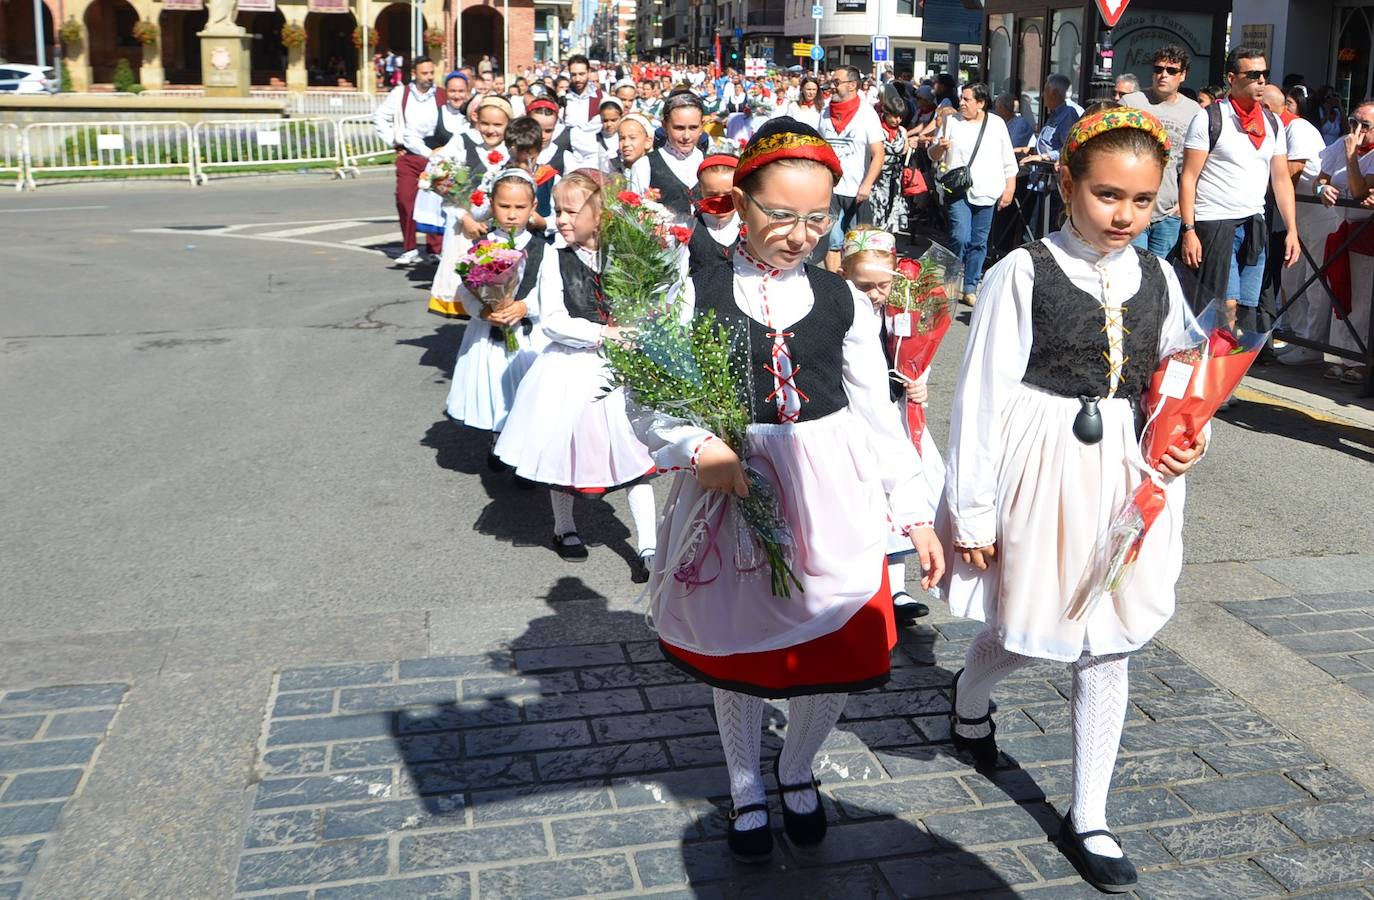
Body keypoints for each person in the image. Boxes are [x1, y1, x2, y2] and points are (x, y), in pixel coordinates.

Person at [636, 117, 944, 863]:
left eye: (818, 218)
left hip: (830, 492)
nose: (801, 233)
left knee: (838, 643)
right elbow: (650, 390)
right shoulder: (693, 287)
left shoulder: (844, 299)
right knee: (739, 653)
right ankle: (745, 784)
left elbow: (876, 414)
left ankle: (798, 767)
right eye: (782, 214)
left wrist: (913, 511)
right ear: (740, 203)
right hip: (734, 487)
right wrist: (696, 444)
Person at [943, 104, 1207, 895]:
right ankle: (969, 691)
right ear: (1066, 183)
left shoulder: (1160, 276)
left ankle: (1088, 811)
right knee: (1031, 630)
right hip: (1043, 464)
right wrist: (974, 509)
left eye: (1142, 201)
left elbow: (1181, 379)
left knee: (1110, 639)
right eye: (1107, 196)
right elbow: (980, 399)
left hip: (1128, 471)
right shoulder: (1021, 272)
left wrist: (1190, 436)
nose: (1125, 215)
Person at [494, 172, 659, 581]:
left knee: (635, 452)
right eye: (557, 210)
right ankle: (564, 527)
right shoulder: (554, 255)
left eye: (570, 211)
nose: (560, 219)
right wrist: (603, 332)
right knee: (563, 448)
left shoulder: (627, 253)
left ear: (600, 216)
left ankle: (649, 545)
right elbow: (552, 320)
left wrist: (643, 324)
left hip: (619, 366)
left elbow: (652, 298)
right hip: (570, 365)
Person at [839, 225, 937, 623]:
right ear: (845, 274)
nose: (876, 294)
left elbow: (913, 357)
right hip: (857, 417)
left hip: (895, 415)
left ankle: (896, 587)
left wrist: (918, 385)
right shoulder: (845, 310)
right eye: (865, 285)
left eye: (883, 284)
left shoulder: (902, 312)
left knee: (902, 496)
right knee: (870, 500)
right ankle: (869, 586)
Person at [1179, 46, 1300, 333]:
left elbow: (1281, 179)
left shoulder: (1272, 123)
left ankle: (1229, 370)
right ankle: (1213, 367)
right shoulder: (1210, 118)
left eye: (1265, 74)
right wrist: (1189, 230)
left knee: (1247, 308)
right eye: (1254, 74)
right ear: (1232, 78)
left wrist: (1293, 230)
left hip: (1253, 224)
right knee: (1225, 305)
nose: (1261, 81)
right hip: (1215, 223)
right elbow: (1188, 178)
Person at [445, 169, 548, 449]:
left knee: (529, 391)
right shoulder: (481, 246)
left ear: (533, 208)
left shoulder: (545, 249)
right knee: (497, 390)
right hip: (489, 335)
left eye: (519, 207)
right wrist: (484, 311)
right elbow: (467, 289)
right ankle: (498, 438)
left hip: (529, 335)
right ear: (492, 205)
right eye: (504, 206)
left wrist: (525, 306)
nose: (512, 215)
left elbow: (549, 289)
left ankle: (526, 448)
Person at [929, 83, 1018, 306]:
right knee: (960, 236)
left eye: (967, 99)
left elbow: (1008, 159)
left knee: (979, 242)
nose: (962, 103)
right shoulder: (951, 122)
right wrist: (940, 147)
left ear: (981, 103)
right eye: (962, 98)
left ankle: (970, 286)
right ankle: (950, 282)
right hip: (958, 190)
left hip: (988, 190)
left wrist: (1010, 188)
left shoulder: (996, 124)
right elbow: (932, 154)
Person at [427, 96, 515, 318]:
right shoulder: (462, 141)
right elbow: (441, 179)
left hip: (500, 230)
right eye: (485, 123)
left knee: (499, 289)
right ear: (476, 120)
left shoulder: (513, 149)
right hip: (466, 229)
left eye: (498, 125)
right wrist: (464, 217)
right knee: (468, 286)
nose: (490, 130)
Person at [1263, 83, 1329, 366]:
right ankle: (1299, 337)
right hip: (1298, 217)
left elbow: (1290, 174)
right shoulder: (1279, 130)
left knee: (1312, 280)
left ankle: (1312, 342)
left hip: (1317, 218)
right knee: (1292, 276)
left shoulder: (1298, 129)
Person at [1313, 100, 1374, 383]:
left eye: (1365, 125)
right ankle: (1337, 354)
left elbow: (1361, 189)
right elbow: (1320, 179)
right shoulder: (1342, 143)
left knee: (1361, 297)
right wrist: (1323, 188)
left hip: (1365, 233)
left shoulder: (1358, 151)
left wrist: (1352, 157)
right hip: (1340, 227)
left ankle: (1357, 360)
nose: (1357, 130)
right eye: (1353, 122)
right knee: (1339, 292)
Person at [1123, 45, 1202, 259]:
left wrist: (1182, 206)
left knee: (1161, 279)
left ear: (1183, 75)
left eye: (1171, 71)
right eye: (1158, 69)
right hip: (1134, 209)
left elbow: (1199, 165)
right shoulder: (1131, 103)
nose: (1163, 75)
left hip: (1169, 214)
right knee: (1132, 276)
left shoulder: (1195, 112)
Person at [373, 56, 443, 265]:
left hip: (435, 154)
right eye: (425, 73)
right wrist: (394, 143)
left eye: (431, 73)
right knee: (405, 200)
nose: (429, 77)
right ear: (414, 73)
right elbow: (379, 117)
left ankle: (435, 249)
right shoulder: (400, 94)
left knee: (436, 202)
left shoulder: (441, 95)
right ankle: (410, 247)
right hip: (410, 156)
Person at [819, 66, 886, 272]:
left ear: (852, 85)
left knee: (856, 245)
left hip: (857, 191)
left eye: (837, 82)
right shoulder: (825, 112)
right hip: (831, 189)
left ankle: (853, 289)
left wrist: (866, 185)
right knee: (831, 242)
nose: (832, 86)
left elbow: (879, 154)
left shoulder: (866, 114)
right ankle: (835, 287)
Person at [629, 92, 705, 217]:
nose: (686, 136)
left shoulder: (707, 163)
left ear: (702, 126)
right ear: (664, 126)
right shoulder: (645, 165)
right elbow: (633, 214)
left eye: (693, 128)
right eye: (679, 128)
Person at [684, 150, 740, 274]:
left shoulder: (751, 226)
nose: (720, 203)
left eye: (729, 196)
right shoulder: (690, 226)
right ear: (701, 190)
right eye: (712, 195)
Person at [869, 88, 913, 236]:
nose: (897, 120)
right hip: (878, 176)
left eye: (900, 117)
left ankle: (888, 240)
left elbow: (904, 150)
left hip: (895, 176)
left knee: (892, 210)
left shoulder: (902, 131)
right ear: (886, 114)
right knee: (876, 210)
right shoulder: (876, 129)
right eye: (894, 117)